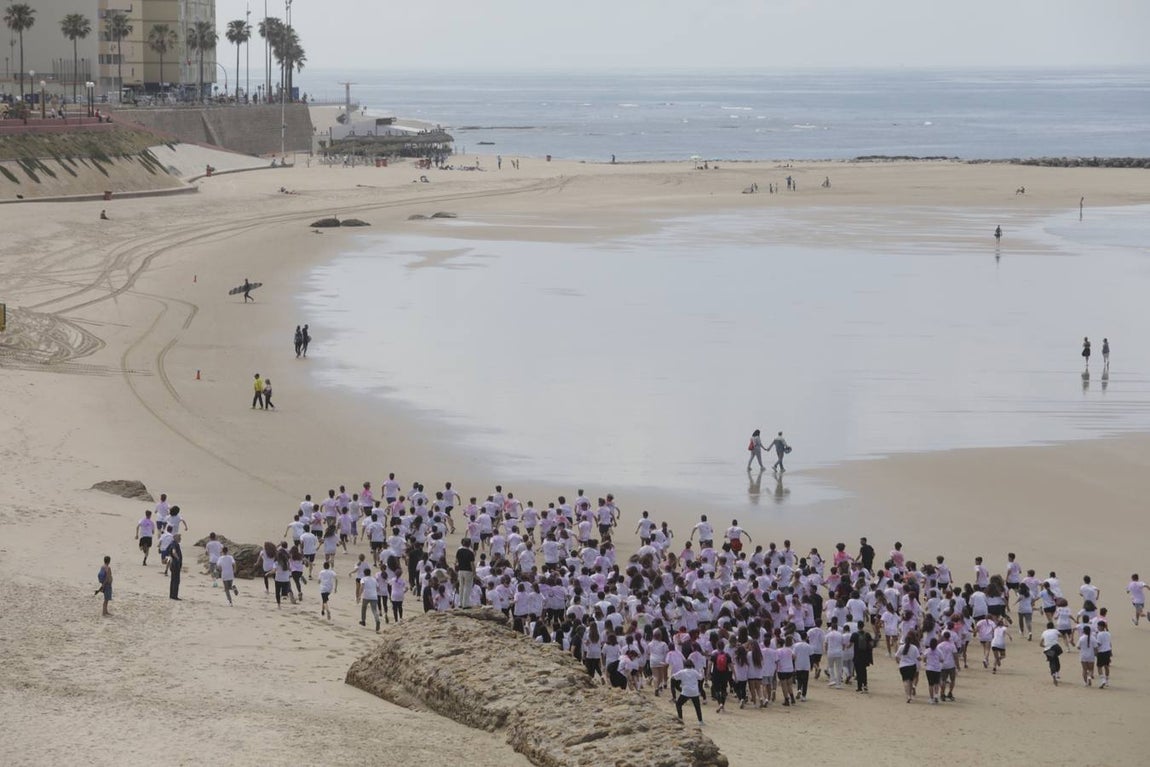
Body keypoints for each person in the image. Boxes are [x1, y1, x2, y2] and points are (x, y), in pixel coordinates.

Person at [671, 659, 705, 725]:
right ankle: (700, 721)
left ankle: (680, 718)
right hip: (694, 691)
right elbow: (700, 678)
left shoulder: (682, 672)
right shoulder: (694, 671)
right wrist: (702, 672)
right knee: (697, 707)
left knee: (678, 704)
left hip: (686, 691)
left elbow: (674, 677)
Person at [1040, 620, 1063, 685]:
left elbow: (1040, 644)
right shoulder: (1055, 630)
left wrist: (1045, 646)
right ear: (1053, 626)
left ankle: (1053, 673)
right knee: (1056, 659)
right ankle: (1057, 672)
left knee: (1052, 662)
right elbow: (1061, 635)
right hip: (1056, 648)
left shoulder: (1044, 632)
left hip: (1048, 649)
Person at [456, 538, 476, 608]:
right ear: (469, 544)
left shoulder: (459, 550)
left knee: (461, 587)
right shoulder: (470, 552)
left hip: (460, 570)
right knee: (467, 587)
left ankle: (460, 603)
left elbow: (457, 561)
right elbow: (472, 564)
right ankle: (465, 604)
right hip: (468, 571)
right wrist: (474, 572)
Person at [168, 534, 183, 600]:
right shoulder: (174, 544)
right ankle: (174, 595)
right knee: (176, 580)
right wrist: (178, 558)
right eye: (179, 537)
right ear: (175, 538)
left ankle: (172, 595)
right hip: (175, 564)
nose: (180, 539)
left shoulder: (173, 544)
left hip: (174, 564)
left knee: (173, 579)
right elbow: (173, 552)